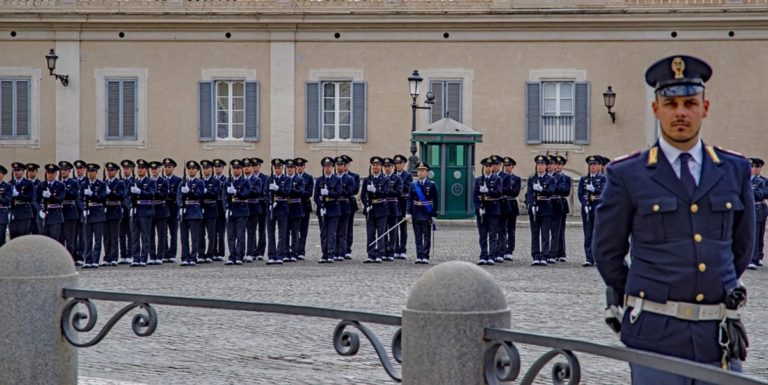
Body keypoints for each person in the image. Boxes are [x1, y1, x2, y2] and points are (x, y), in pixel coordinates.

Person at [594, 55, 754, 384]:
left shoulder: (734, 170)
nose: (680, 112)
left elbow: (743, 246)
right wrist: (645, 293)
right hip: (656, 334)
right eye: (670, 103)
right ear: (656, 110)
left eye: (690, 103)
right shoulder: (628, 175)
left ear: (705, 108)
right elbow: (606, 254)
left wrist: (714, 286)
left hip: (717, 335)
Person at [406, 162, 438, 264]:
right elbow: (409, 199)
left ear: (427, 172)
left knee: (426, 236)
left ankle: (425, 256)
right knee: (418, 236)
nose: (420, 173)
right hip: (416, 212)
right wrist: (408, 212)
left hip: (426, 213)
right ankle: (419, 255)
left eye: (423, 171)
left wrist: (434, 214)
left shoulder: (431, 185)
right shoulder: (413, 185)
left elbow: (435, 200)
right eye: (419, 170)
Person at [525, 155, 555, 266]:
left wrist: (542, 189)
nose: (539, 167)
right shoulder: (532, 179)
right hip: (534, 208)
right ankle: (536, 255)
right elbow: (529, 193)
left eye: (542, 164)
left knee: (545, 233)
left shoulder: (550, 179)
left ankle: (544, 255)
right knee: (535, 233)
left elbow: (551, 191)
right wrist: (531, 204)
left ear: (546, 166)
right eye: (538, 164)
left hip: (545, 207)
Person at [577, 155, 605, 267]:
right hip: (587, 209)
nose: (592, 167)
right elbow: (580, 194)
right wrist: (585, 204)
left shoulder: (603, 178)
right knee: (587, 234)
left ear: (599, 166)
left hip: (598, 208)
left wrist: (595, 190)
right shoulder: (584, 179)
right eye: (590, 165)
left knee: (598, 234)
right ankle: (589, 257)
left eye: (594, 165)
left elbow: (605, 192)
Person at [361, 156, 390, 263]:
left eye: (377, 165)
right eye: (373, 165)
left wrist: (376, 190)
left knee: (381, 233)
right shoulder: (367, 179)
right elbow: (363, 195)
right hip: (370, 209)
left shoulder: (385, 179)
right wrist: (366, 205)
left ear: (381, 166)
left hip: (381, 208)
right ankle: (370, 253)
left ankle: (380, 254)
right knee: (370, 233)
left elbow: (386, 193)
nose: (375, 167)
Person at [474, 157, 502, 265]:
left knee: (493, 234)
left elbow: (498, 192)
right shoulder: (478, 180)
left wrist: (488, 191)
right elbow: (475, 195)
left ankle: (491, 256)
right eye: (486, 166)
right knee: (482, 234)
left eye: (490, 166)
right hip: (482, 210)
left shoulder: (497, 179)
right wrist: (478, 207)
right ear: (483, 167)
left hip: (493, 209)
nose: (488, 168)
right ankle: (483, 255)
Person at [130, 159, 157, 267]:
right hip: (135, 211)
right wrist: (130, 206)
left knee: (145, 236)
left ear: (146, 170)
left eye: (142, 168)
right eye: (139, 168)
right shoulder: (134, 181)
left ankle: (144, 258)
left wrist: (140, 192)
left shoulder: (150, 182)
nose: (140, 170)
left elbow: (151, 194)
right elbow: (127, 195)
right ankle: (136, 258)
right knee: (134, 236)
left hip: (145, 211)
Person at [178, 160, 205, 266]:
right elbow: (178, 196)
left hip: (194, 211)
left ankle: (193, 257)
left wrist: (189, 191)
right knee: (184, 237)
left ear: (197, 170)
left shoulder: (199, 182)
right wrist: (180, 205)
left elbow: (199, 194)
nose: (191, 171)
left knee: (194, 237)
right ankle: (185, 256)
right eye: (189, 169)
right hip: (184, 212)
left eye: (193, 169)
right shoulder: (183, 182)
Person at [314, 156, 341, 263]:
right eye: (325, 167)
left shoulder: (337, 179)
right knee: (323, 233)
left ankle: (331, 254)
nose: (327, 169)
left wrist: (329, 193)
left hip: (333, 208)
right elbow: (316, 196)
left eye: (329, 166)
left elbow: (338, 193)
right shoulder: (320, 180)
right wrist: (320, 206)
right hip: (322, 210)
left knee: (332, 233)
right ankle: (324, 254)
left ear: (333, 167)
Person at [225, 159, 251, 265]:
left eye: (238, 168)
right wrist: (226, 208)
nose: (236, 170)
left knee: (240, 235)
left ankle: (240, 256)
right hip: (231, 210)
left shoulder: (245, 181)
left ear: (241, 169)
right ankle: (232, 255)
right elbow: (224, 196)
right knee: (231, 235)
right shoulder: (228, 181)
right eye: (234, 168)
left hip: (242, 210)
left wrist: (236, 192)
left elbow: (246, 194)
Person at [81, 163, 107, 269]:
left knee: (97, 239)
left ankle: (95, 260)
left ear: (96, 173)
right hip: (87, 214)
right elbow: (79, 198)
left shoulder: (101, 184)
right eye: (89, 171)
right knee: (87, 239)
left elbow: (102, 197)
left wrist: (92, 194)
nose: (90, 173)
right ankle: (88, 260)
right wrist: (83, 208)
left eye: (92, 171)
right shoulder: (84, 184)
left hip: (97, 213)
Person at [266, 158, 291, 265]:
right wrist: (270, 203)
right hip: (272, 208)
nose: (277, 170)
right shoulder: (269, 179)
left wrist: (278, 189)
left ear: (282, 168)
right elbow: (264, 193)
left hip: (282, 207)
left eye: (279, 167)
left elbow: (287, 192)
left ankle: (280, 255)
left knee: (282, 234)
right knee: (270, 233)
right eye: (275, 168)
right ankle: (271, 255)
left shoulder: (287, 179)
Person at [102, 162, 126, 266]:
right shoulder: (104, 183)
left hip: (115, 210)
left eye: (112, 170)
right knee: (106, 236)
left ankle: (114, 257)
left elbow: (121, 196)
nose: (110, 172)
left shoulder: (120, 183)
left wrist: (110, 193)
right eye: (108, 170)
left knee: (114, 236)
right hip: (106, 211)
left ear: (116, 172)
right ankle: (107, 257)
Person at [37, 163, 66, 243]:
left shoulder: (60, 185)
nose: (50, 175)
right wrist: (39, 210)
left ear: (56, 174)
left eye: (52, 173)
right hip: (42, 216)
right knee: (43, 241)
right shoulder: (41, 185)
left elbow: (60, 199)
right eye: (49, 173)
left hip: (54, 216)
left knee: (54, 240)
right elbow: (35, 200)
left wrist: (51, 196)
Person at [199, 159, 221, 264]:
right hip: (201, 209)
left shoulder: (215, 181)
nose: (205, 170)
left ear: (211, 169)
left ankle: (210, 254)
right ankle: (201, 253)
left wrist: (206, 191)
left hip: (211, 208)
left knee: (211, 234)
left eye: (207, 168)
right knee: (200, 233)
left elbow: (215, 194)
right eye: (204, 168)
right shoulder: (200, 181)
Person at [59, 161, 81, 262]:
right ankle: (62, 258)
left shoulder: (73, 182)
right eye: (62, 170)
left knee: (70, 238)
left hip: (70, 211)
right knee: (60, 236)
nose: (63, 172)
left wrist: (64, 190)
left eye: (65, 170)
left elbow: (74, 195)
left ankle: (71, 258)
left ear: (69, 171)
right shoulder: (58, 182)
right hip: (59, 212)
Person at [500, 157, 521, 261]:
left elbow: (515, 192)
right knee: (502, 228)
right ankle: (502, 248)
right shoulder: (500, 177)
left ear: (512, 167)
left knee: (511, 229)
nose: (507, 167)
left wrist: (505, 190)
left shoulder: (516, 179)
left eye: (509, 165)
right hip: (502, 203)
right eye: (505, 165)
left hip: (511, 204)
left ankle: (510, 250)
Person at [285, 159, 305, 262]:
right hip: (285, 208)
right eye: (288, 167)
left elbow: (300, 192)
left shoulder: (299, 179)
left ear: (295, 168)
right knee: (285, 232)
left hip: (295, 207)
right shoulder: (283, 179)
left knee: (295, 232)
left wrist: (288, 190)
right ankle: (286, 252)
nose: (289, 169)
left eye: (291, 167)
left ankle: (294, 252)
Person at [382, 157, 402, 261]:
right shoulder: (381, 177)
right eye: (385, 166)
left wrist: (386, 191)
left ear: (392, 167)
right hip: (383, 206)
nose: (387, 168)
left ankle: (392, 251)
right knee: (383, 229)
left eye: (389, 166)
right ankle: (384, 250)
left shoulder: (397, 178)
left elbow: (398, 192)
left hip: (393, 205)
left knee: (393, 230)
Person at [162, 158, 182, 263]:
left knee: (173, 233)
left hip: (173, 208)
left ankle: (172, 254)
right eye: (165, 167)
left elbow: (178, 194)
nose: (167, 169)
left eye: (169, 167)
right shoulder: (161, 179)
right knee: (163, 233)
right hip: (164, 209)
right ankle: (165, 253)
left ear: (173, 168)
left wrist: (169, 192)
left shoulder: (178, 180)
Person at [748, 158, 766, 270]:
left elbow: (762, 195)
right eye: (751, 166)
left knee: (756, 235)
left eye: (755, 166)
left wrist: (751, 189)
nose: (753, 169)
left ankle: (754, 258)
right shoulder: (743, 179)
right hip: (745, 209)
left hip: (757, 209)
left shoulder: (761, 181)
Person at [9, 162, 35, 239]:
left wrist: (18, 194)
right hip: (13, 212)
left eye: (18, 170)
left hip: (24, 212)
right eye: (15, 170)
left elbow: (31, 197)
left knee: (23, 237)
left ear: (23, 171)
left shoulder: (28, 183)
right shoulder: (10, 183)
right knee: (13, 237)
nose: (16, 172)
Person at [393, 154, 412, 259]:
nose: (398, 165)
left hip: (404, 203)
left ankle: (403, 249)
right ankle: (396, 249)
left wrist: (399, 184)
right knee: (395, 227)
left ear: (404, 164)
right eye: (396, 163)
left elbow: (408, 187)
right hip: (395, 204)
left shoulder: (407, 175)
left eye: (400, 163)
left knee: (403, 228)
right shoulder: (392, 174)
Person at [295, 158, 313, 261]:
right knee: (294, 229)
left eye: (301, 166)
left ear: (304, 167)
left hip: (304, 205)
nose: (299, 168)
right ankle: (294, 249)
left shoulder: (308, 178)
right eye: (297, 166)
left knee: (303, 230)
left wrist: (298, 192)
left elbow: (308, 193)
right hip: (294, 206)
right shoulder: (292, 177)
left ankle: (301, 251)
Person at [118, 159, 135, 265]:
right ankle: (123, 254)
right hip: (120, 209)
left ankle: (130, 254)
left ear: (132, 169)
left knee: (130, 232)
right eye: (124, 169)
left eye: (128, 168)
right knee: (121, 233)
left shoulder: (134, 181)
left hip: (130, 209)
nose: (126, 171)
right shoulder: (121, 182)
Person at [212, 158, 229, 261]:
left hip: (221, 206)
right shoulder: (212, 179)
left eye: (219, 167)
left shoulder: (226, 180)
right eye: (216, 167)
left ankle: (221, 253)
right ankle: (213, 251)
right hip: (213, 206)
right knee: (213, 231)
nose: (217, 168)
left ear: (222, 168)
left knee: (221, 231)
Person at [0, 164, 10, 248]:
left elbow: (7, 201)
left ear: (2, 175)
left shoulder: (7, 186)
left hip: (1, 215)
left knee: (1, 239)